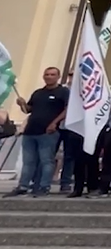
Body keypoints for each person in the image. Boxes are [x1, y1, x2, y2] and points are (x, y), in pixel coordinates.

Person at [6, 67, 68, 198]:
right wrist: (22, 104)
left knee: (46, 161)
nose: (49, 77)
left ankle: (44, 187)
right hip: (30, 131)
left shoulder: (63, 92)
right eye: (47, 74)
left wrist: (54, 123)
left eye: (52, 74)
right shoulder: (38, 93)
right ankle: (23, 186)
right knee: (28, 161)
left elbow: (67, 110)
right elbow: (28, 110)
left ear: (58, 77)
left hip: (48, 132)